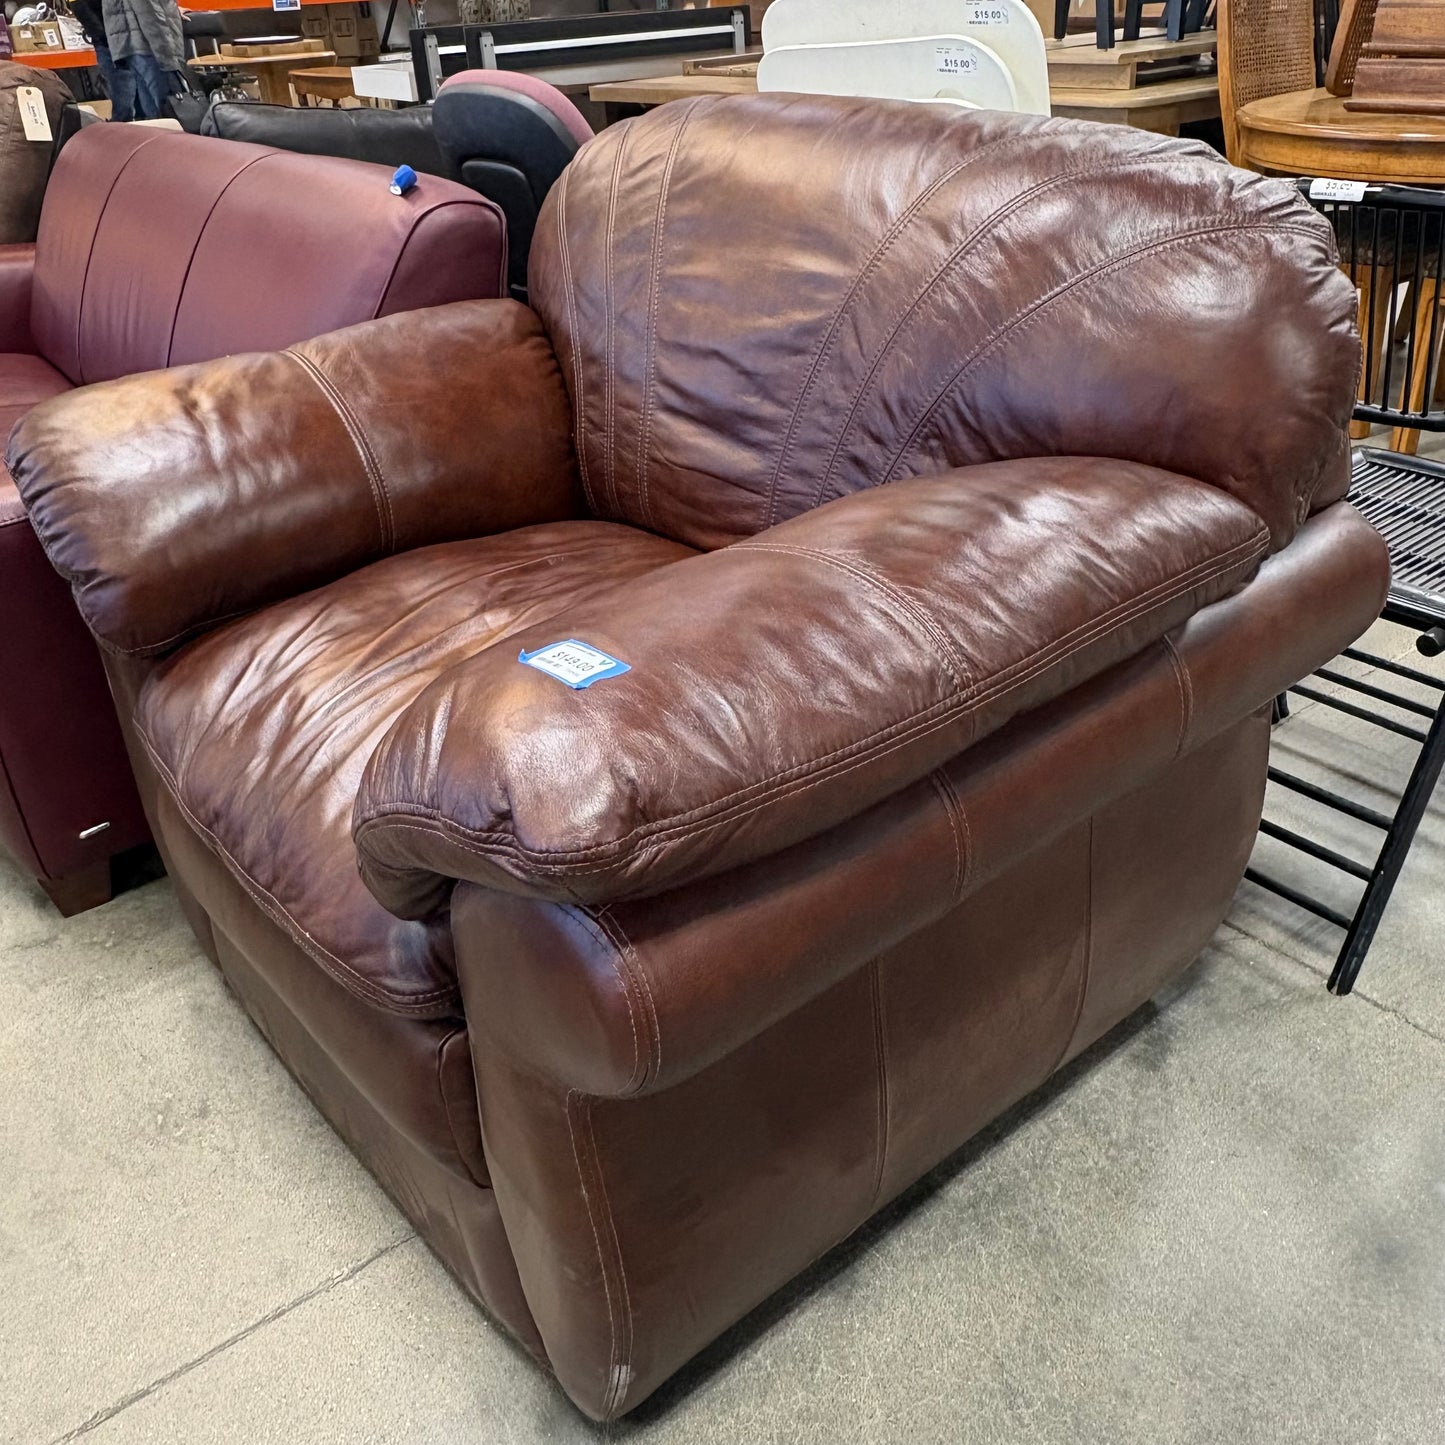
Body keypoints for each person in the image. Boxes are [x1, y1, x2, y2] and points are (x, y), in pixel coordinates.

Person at [99, 0, 184, 120]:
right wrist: (166, 52)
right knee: (171, 109)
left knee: (153, 115)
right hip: (150, 46)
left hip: (132, 45)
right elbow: (149, 12)